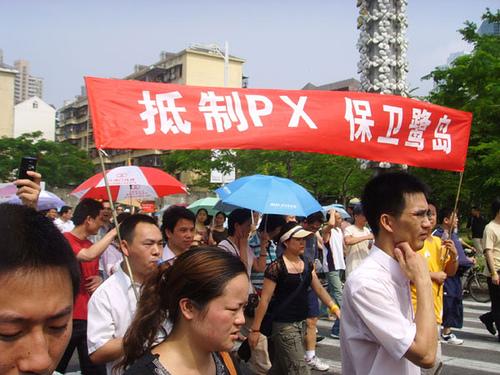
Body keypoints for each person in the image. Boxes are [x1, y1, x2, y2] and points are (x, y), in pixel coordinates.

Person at [341, 172, 437, 374]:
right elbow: (426, 355)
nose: (428, 223)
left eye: (427, 214)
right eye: (419, 215)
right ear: (387, 222)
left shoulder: (401, 269)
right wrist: (423, 280)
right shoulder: (367, 282)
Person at [119, 247, 247, 374]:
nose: (241, 320)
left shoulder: (226, 361)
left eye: (244, 307)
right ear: (188, 307)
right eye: (233, 309)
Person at [248, 222, 340, 375]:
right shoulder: (276, 268)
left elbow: (318, 288)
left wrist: (335, 308)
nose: (303, 242)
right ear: (286, 242)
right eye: (298, 239)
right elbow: (264, 300)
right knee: (300, 369)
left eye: (304, 239)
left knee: (280, 369)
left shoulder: (307, 263)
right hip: (284, 327)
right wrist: (255, 330)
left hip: (301, 324)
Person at [88, 214, 164, 374]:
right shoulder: (106, 294)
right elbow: (98, 352)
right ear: (124, 247)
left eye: (160, 244)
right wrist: (140, 335)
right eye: (148, 244)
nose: (157, 251)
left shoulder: (166, 285)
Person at [56, 198, 118, 375]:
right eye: (100, 219)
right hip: (68, 316)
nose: (101, 224)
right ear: (89, 219)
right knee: (55, 366)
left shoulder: (92, 245)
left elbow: (94, 269)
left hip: (89, 317)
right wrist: (113, 233)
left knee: (95, 369)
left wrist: (99, 278)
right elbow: (88, 256)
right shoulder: (65, 240)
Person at [410, 202, 458, 375]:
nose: (428, 218)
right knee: (424, 361)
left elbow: (449, 272)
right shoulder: (411, 243)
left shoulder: (439, 242)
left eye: (431, 214)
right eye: (424, 214)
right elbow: (406, 272)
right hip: (415, 309)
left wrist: (453, 256)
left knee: (433, 362)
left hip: (435, 308)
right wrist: (433, 275)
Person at [433, 207, 474, 345]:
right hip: (446, 276)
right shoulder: (439, 235)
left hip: (456, 274)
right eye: (454, 217)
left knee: (455, 300)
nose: (457, 219)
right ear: (445, 220)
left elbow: (458, 254)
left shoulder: (453, 235)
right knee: (448, 301)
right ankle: (445, 332)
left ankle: (447, 330)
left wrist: (467, 260)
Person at [299, 211, 330, 371]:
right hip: (295, 286)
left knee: (312, 320)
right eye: (313, 224)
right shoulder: (295, 235)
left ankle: (310, 356)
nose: (315, 228)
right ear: (305, 222)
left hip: (310, 283)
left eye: (318, 225)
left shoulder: (312, 237)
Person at [321, 209, 346, 339]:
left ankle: (320, 311)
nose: (341, 220)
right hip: (331, 267)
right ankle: (337, 329)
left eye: (341, 218)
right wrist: (331, 213)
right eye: (338, 218)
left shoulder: (338, 231)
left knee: (331, 293)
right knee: (340, 297)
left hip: (340, 265)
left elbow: (342, 247)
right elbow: (329, 225)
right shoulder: (327, 230)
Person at [479, 198, 500, 342]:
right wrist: (493, 273)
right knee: (498, 304)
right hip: (497, 270)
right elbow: (488, 252)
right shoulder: (490, 228)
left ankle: (487, 317)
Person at [344, 204, 374, 277]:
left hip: (365, 268)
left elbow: (369, 247)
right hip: (353, 268)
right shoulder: (349, 229)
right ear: (356, 216)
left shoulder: (366, 230)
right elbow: (348, 241)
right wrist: (366, 237)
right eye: (363, 215)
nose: (366, 218)